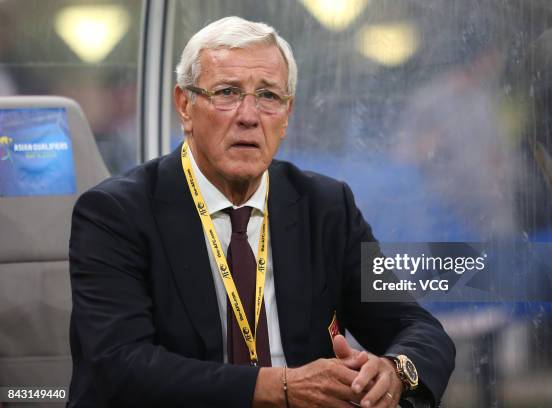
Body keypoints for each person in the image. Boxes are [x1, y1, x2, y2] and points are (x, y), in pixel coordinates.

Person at [68, 16, 455, 408]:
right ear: (185, 106)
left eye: (269, 96)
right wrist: (279, 387)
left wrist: (394, 371)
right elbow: (120, 366)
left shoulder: (326, 208)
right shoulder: (114, 214)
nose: (249, 116)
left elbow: (416, 326)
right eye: (227, 92)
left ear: (287, 115)